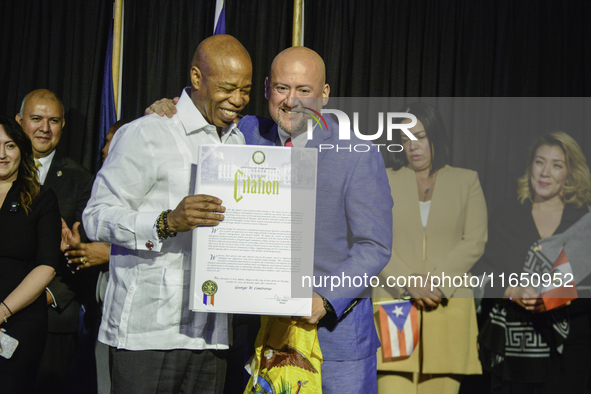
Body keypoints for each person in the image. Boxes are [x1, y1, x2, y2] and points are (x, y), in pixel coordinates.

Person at [148, 46, 393, 394]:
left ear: (324, 95)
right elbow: (195, 112)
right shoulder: (243, 134)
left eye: (304, 90)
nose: (291, 100)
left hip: (332, 343)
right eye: (281, 88)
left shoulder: (357, 154)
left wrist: (324, 298)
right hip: (253, 339)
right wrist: (168, 109)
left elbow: (375, 245)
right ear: (265, 88)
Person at [82, 34, 252, 393]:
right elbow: (95, 216)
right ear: (196, 77)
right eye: (228, 88)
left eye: (246, 90)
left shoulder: (239, 142)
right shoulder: (146, 133)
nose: (238, 100)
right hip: (148, 333)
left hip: (212, 336)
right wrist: (166, 222)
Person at [370, 102, 486, 394]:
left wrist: (437, 282)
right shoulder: (383, 179)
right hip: (395, 308)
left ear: (436, 137)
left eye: (419, 136)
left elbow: (474, 240)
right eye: (405, 139)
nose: (413, 146)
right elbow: (372, 240)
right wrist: (408, 282)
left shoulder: (466, 180)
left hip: (447, 308)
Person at [477, 131, 591, 393]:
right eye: (539, 162)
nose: (545, 173)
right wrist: (510, 291)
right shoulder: (506, 217)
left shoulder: (584, 223)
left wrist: (554, 296)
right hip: (512, 355)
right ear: (530, 165)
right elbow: (482, 273)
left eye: (557, 165)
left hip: (569, 351)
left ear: (570, 173)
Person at [15, 89, 100, 392]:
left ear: (63, 126)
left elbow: (86, 255)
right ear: (19, 121)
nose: (44, 128)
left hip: (50, 320)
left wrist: (45, 296)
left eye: (53, 121)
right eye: (36, 119)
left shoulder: (83, 181)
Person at [0, 116, 60, 393]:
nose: (2, 154)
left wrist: (2, 311)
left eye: (9, 145)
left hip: (19, 320)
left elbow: (47, 266)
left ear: (21, 150)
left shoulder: (41, 198)